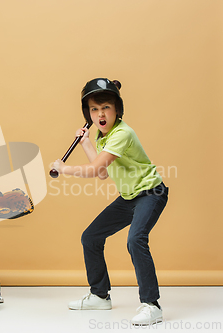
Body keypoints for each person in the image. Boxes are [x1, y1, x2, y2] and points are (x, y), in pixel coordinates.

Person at [51, 78, 168, 325]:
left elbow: (95, 169)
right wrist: (85, 143)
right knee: (91, 237)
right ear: (88, 113)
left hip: (150, 193)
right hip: (129, 198)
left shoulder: (122, 133)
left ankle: (151, 304)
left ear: (117, 110)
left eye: (106, 107)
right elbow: (104, 173)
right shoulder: (104, 138)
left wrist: (64, 169)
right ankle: (99, 295)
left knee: (136, 240)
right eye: (94, 109)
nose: (100, 114)